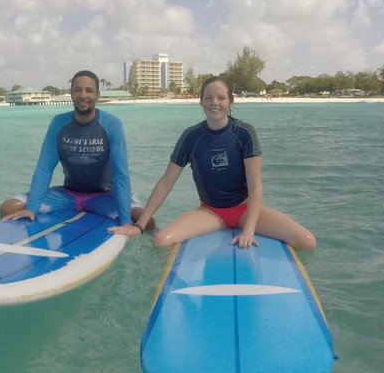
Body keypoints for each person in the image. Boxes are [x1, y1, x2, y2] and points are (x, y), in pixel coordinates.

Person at [113, 75, 315, 250]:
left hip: (245, 210)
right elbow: (166, 183)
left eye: (221, 97)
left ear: (231, 101)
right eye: (208, 97)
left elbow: (255, 186)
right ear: (201, 101)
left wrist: (249, 230)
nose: (214, 103)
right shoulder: (191, 137)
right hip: (210, 212)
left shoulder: (244, 133)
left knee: (307, 242)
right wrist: (140, 225)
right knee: (161, 241)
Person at [0, 70, 150, 233]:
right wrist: (32, 208)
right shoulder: (59, 123)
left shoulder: (112, 124)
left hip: (104, 196)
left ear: (98, 95)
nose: (83, 95)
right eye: (78, 89)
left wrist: (126, 221)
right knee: (8, 208)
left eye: (89, 90)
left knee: (146, 222)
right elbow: (44, 169)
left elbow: (121, 173)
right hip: (67, 195)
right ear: (71, 93)